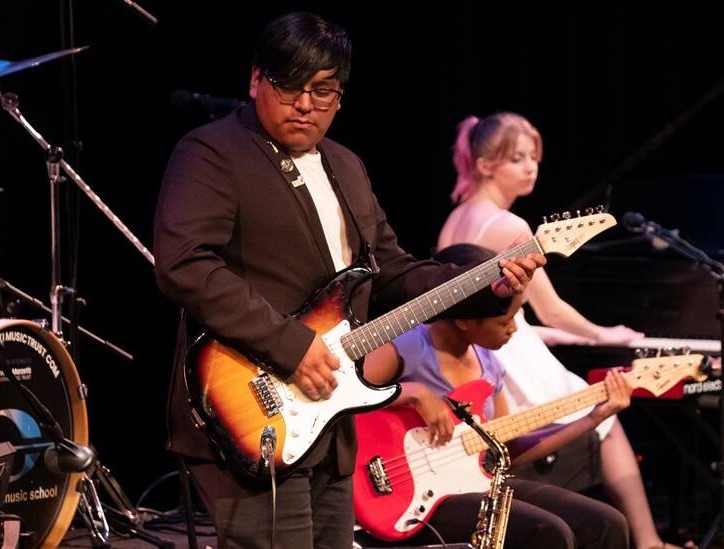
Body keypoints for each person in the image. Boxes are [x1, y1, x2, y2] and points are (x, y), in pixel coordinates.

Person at [153, 14, 544, 549]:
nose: (304, 104)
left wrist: (485, 284)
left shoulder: (346, 165)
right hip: (250, 406)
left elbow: (393, 272)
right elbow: (185, 265)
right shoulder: (213, 153)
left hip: (332, 416)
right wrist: (291, 345)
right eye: (289, 85)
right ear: (255, 80)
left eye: (323, 91)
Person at [438, 112, 686, 549]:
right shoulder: (510, 227)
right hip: (504, 358)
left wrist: (557, 335)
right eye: (517, 158)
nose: (531, 167)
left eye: (534, 157)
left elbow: (511, 318)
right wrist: (602, 334)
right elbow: (550, 311)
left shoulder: (456, 220)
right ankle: (648, 541)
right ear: (484, 164)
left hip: (484, 345)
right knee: (608, 422)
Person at [362, 243, 631, 549]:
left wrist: (594, 417)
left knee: (606, 524)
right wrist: (413, 392)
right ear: (464, 321)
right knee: (547, 533)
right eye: (505, 321)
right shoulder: (408, 347)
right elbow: (343, 396)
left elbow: (508, 448)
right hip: (408, 495)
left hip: (474, 483)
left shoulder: (489, 364)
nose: (514, 329)